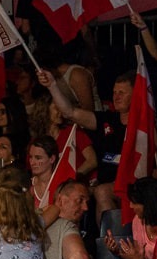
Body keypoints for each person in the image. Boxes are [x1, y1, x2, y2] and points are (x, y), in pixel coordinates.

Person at [39, 68, 131, 222]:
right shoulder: (106, 119)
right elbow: (70, 112)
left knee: (101, 191)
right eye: (115, 92)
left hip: (132, 182)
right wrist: (52, 86)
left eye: (122, 92)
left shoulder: (145, 125)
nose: (116, 96)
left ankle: (108, 243)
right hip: (107, 183)